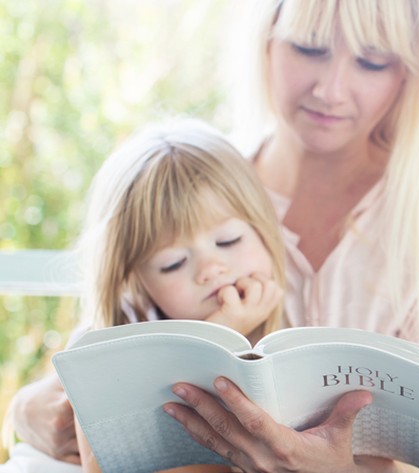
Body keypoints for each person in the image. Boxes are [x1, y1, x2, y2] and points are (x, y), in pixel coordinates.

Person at [9, 0, 419, 471]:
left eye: (372, 61)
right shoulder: (203, 182)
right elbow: (98, 361)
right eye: (309, 48)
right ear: (267, 41)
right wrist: (26, 410)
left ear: (412, 69)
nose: (331, 89)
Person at [2, 118, 287, 473]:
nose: (211, 268)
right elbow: (103, 466)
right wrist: (218, 335)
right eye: (173, 263)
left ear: (263, 228)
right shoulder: (103, 346)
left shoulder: (287, 339)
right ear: (135, 279)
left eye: (229, 240)